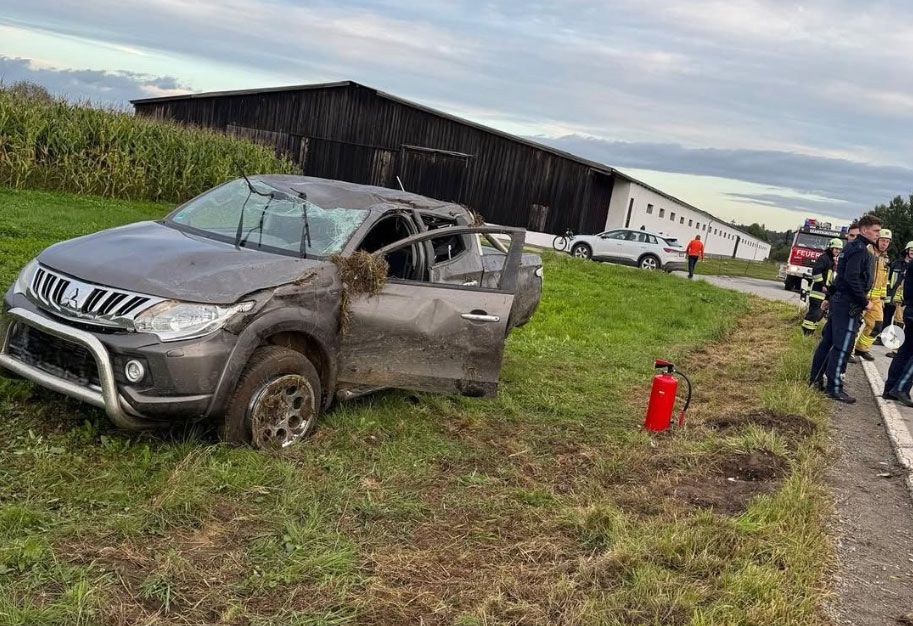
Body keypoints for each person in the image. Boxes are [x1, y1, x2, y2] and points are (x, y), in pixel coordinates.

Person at [809, 214, 881, 403]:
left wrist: (830, 296)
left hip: (840, 300)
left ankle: (815, 380)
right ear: (864, 230)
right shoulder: (860, 250)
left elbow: (840, 277)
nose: (878, 234)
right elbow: (851, 278)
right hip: (849, 304)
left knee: (827, 343)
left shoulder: (851, 247)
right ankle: (834, 388)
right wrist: (864, 302)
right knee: (841, 347)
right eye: (875, 230)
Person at [852, 228, 891, 361]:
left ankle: (862, 348)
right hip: (862, 296)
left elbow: (884, 281)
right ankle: (848, 351)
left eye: (887, 241)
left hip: (876, 299)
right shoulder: (866, 252)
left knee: (877, 325)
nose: (885, 244)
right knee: (855, 325)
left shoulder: (885, 259)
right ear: (877, 240)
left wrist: (883, 298)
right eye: (883, 240)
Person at [883, 254, 913, 406]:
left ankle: (890, 389)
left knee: (905, 351)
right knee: (906, 352)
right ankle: (901, 388)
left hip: (910, 310)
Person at [801, 238, 842, 335]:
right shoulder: (824, 258)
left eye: (839, 249)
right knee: (814, 314)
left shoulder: (831, 260)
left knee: (820, 314)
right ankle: (805, 333)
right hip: (818, 292)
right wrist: (822, 285)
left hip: (825, 292)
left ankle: (810, 333)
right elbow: (816, 272)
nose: (838, 251)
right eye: (836, 248)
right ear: (831, 248)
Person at [882, 241, 913, 357]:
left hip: (904, 300)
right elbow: (887, 279)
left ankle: (896, 348)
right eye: (911, 250)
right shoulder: (896, 264)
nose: (912, 252)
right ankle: (884, 338)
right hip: (891, 296)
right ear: (907, 250)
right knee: (886, 318)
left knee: (899, 322)